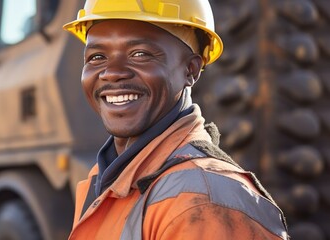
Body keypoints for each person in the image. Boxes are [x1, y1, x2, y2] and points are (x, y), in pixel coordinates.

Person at [62, 0, 289, 239]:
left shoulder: (203, 202)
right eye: (97, 57)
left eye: (140, 54)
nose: (112, 72)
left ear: (190, 70)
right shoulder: (106, 177)